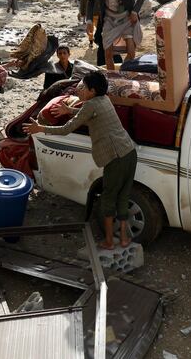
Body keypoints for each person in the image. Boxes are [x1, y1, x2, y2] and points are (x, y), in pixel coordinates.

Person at [24, 71, 137, 249]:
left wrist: (40, 128)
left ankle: (109, 241)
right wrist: (69, 110)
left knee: (108, 200)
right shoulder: (104, 100)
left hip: (115, 158)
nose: (80, 90)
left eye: (83, 87)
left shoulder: (90, 105)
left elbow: (66, 129)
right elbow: (88, 114)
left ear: (92, 91)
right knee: (123, 197)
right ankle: (123, 239)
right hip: (129, 152)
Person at [85, 0, 148, 70]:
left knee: (131, 52)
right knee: (107, 53)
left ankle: (123, 75)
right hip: (109, 18)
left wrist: (135, 11)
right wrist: (89, 20)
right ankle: (112, 79)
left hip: (127, 17)